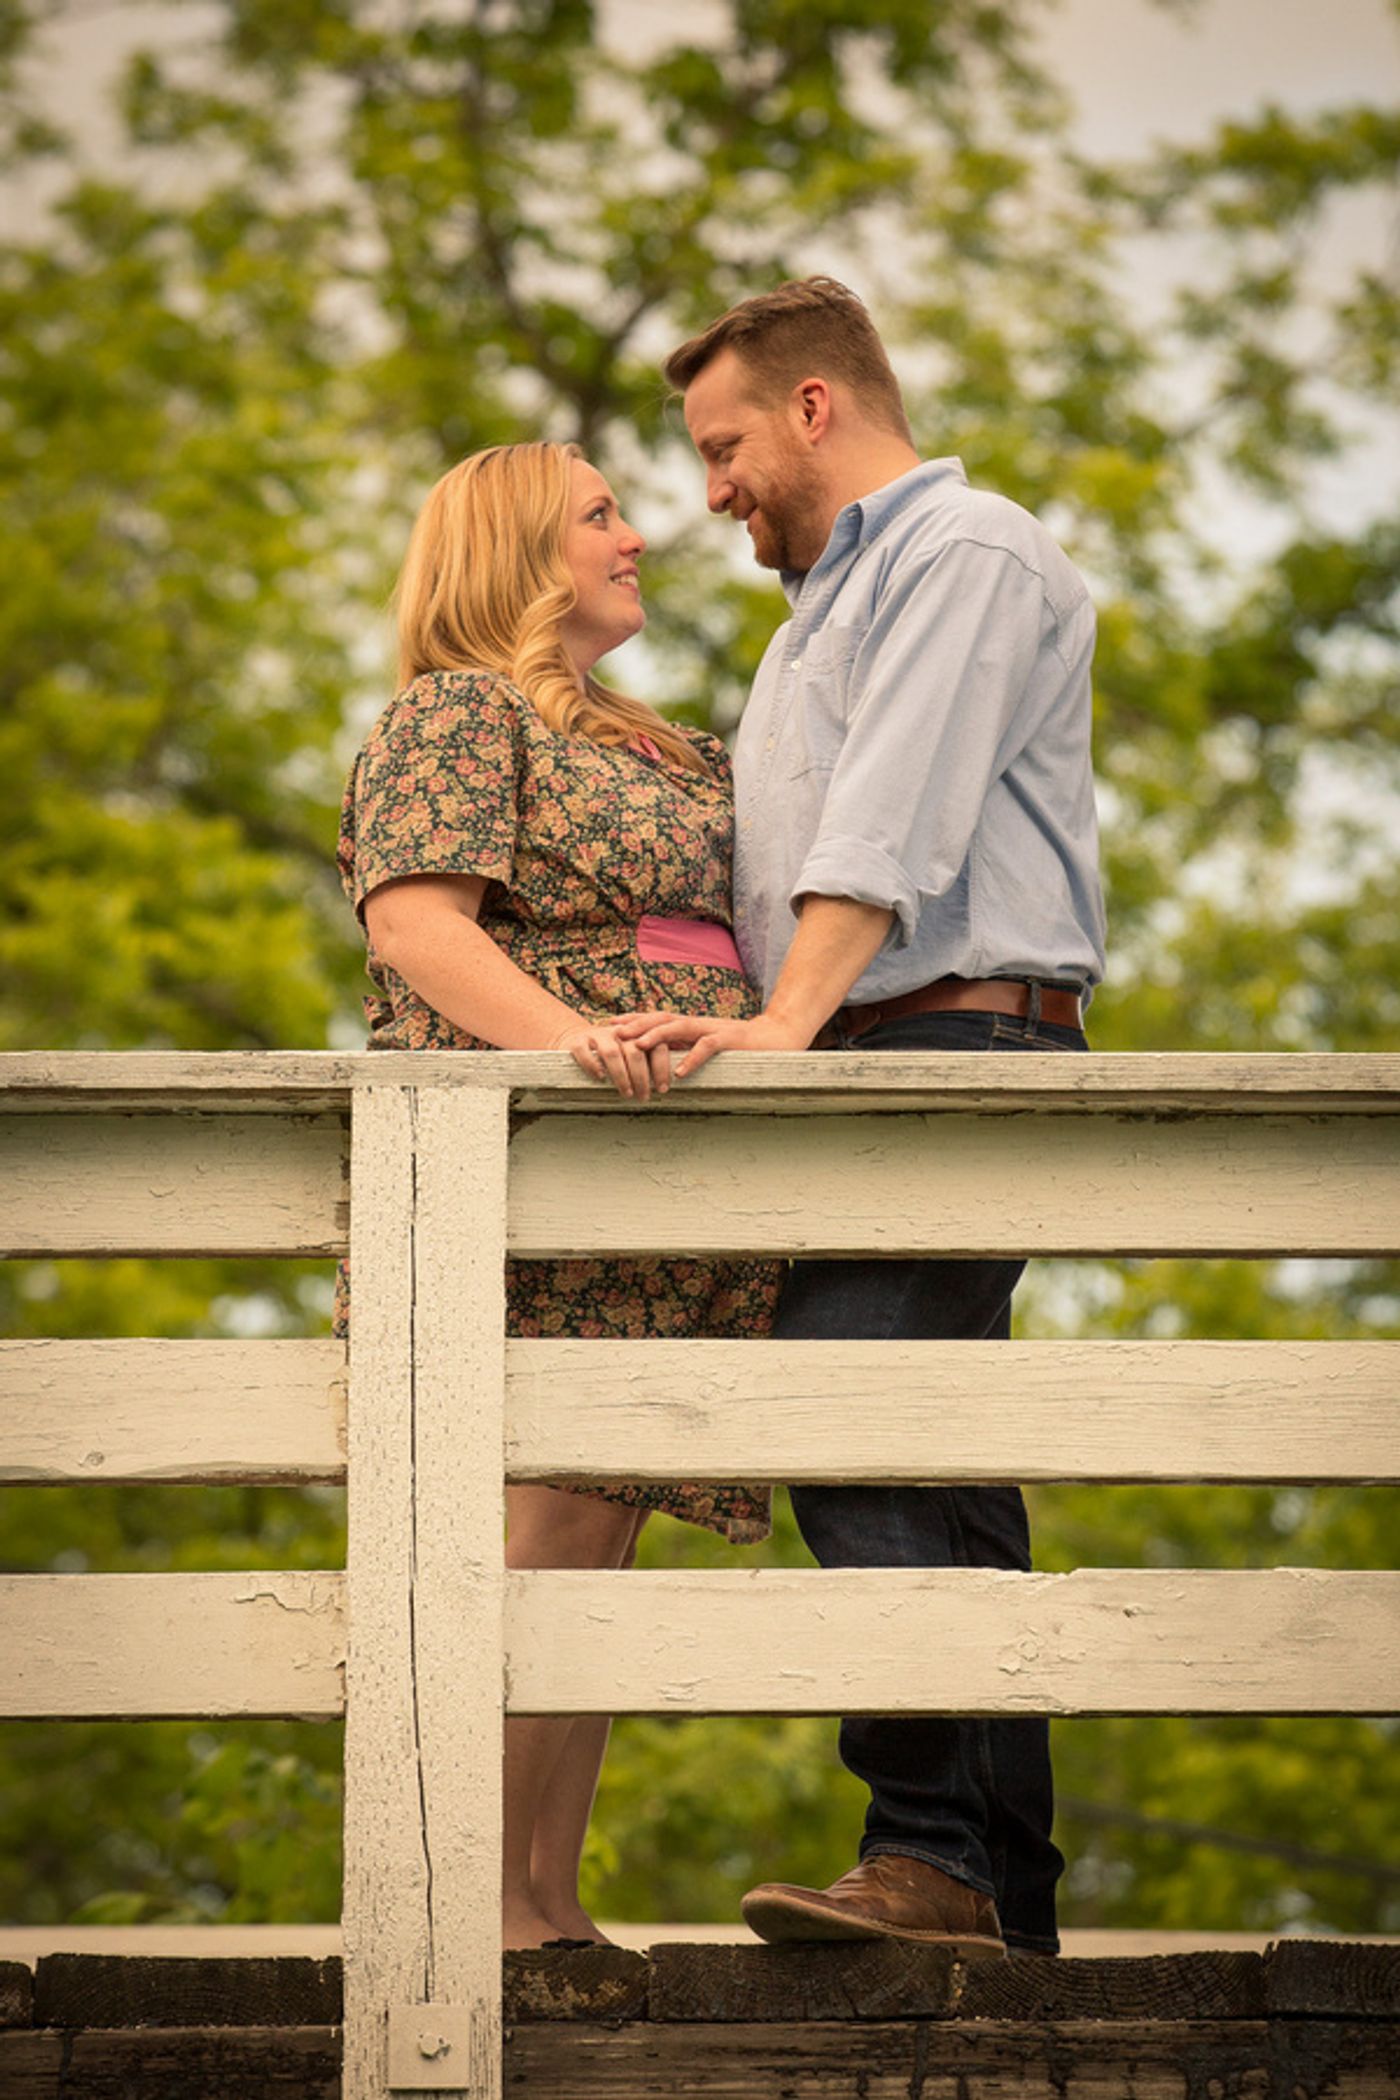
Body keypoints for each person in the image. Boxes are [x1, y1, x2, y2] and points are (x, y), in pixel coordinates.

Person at [619, 277, 1107, 1960]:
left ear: (814, 409)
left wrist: (779, 1027)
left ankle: (931, 1858)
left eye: (724, 444)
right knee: (939, 1469)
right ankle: (1000, 1897)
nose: (710, 491)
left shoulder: (962, 554)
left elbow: (888, 827)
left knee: (838, 1403)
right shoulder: (821, 610)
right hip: (871, 1055)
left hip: (952, 1047)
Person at [335, 440, 780, 1950]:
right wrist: (575, 1047)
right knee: (542, 1528)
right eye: (601, 515)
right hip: (543, 1175)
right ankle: (476, 1902)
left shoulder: (655, 742)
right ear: (521, 549)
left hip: (666, 1187)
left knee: (604, 1532)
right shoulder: (457, 713)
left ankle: (543, 1893)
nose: (638, 534)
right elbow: (418, 928)